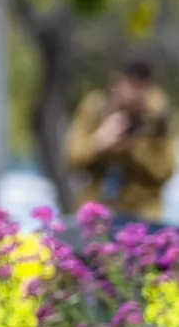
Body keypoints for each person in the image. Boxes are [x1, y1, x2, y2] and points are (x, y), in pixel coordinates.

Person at [64, 58, 176, 226]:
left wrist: (134, 146)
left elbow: (164, 172)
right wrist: (99, 141)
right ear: (116, 81)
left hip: (142, 216)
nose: (135, 95)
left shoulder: (158, 118)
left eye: (142, 88)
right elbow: (72, 158)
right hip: (95, 212)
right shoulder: (96, 108)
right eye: (131, 86)